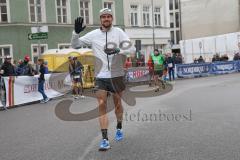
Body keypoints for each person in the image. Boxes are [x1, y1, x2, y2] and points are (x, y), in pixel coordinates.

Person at [71, 8, 135, 151]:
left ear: (112, 18)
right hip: (101, 76)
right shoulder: (93, 35)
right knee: (101, 105)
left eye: (109, 16)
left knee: (118, 104)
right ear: (100, 19)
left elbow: (132, 50)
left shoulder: (119, 32)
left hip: (117, 75)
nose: (106, 19)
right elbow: (75, 45)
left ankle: (119, 126)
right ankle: (105, 139)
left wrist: (119, 50)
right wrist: (75, 33)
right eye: (104, 17)